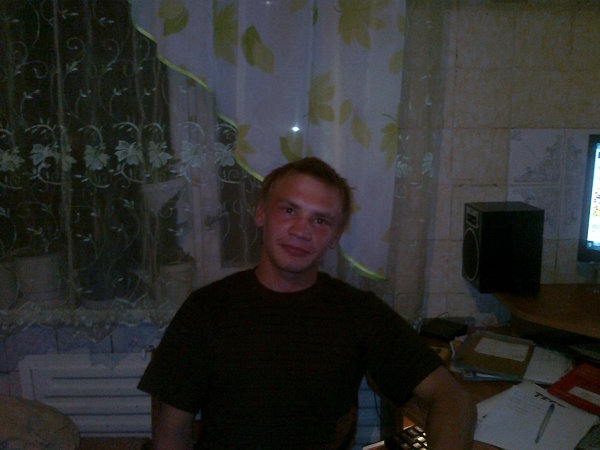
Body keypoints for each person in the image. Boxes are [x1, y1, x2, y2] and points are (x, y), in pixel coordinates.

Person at [138, 157, 476, 450]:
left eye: (320, 220)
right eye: (289, 210)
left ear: (334, 237)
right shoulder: (205, 309)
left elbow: (453, 399)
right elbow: (171, 435)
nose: (301, 231)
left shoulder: (358, 311)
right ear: (260, 213)